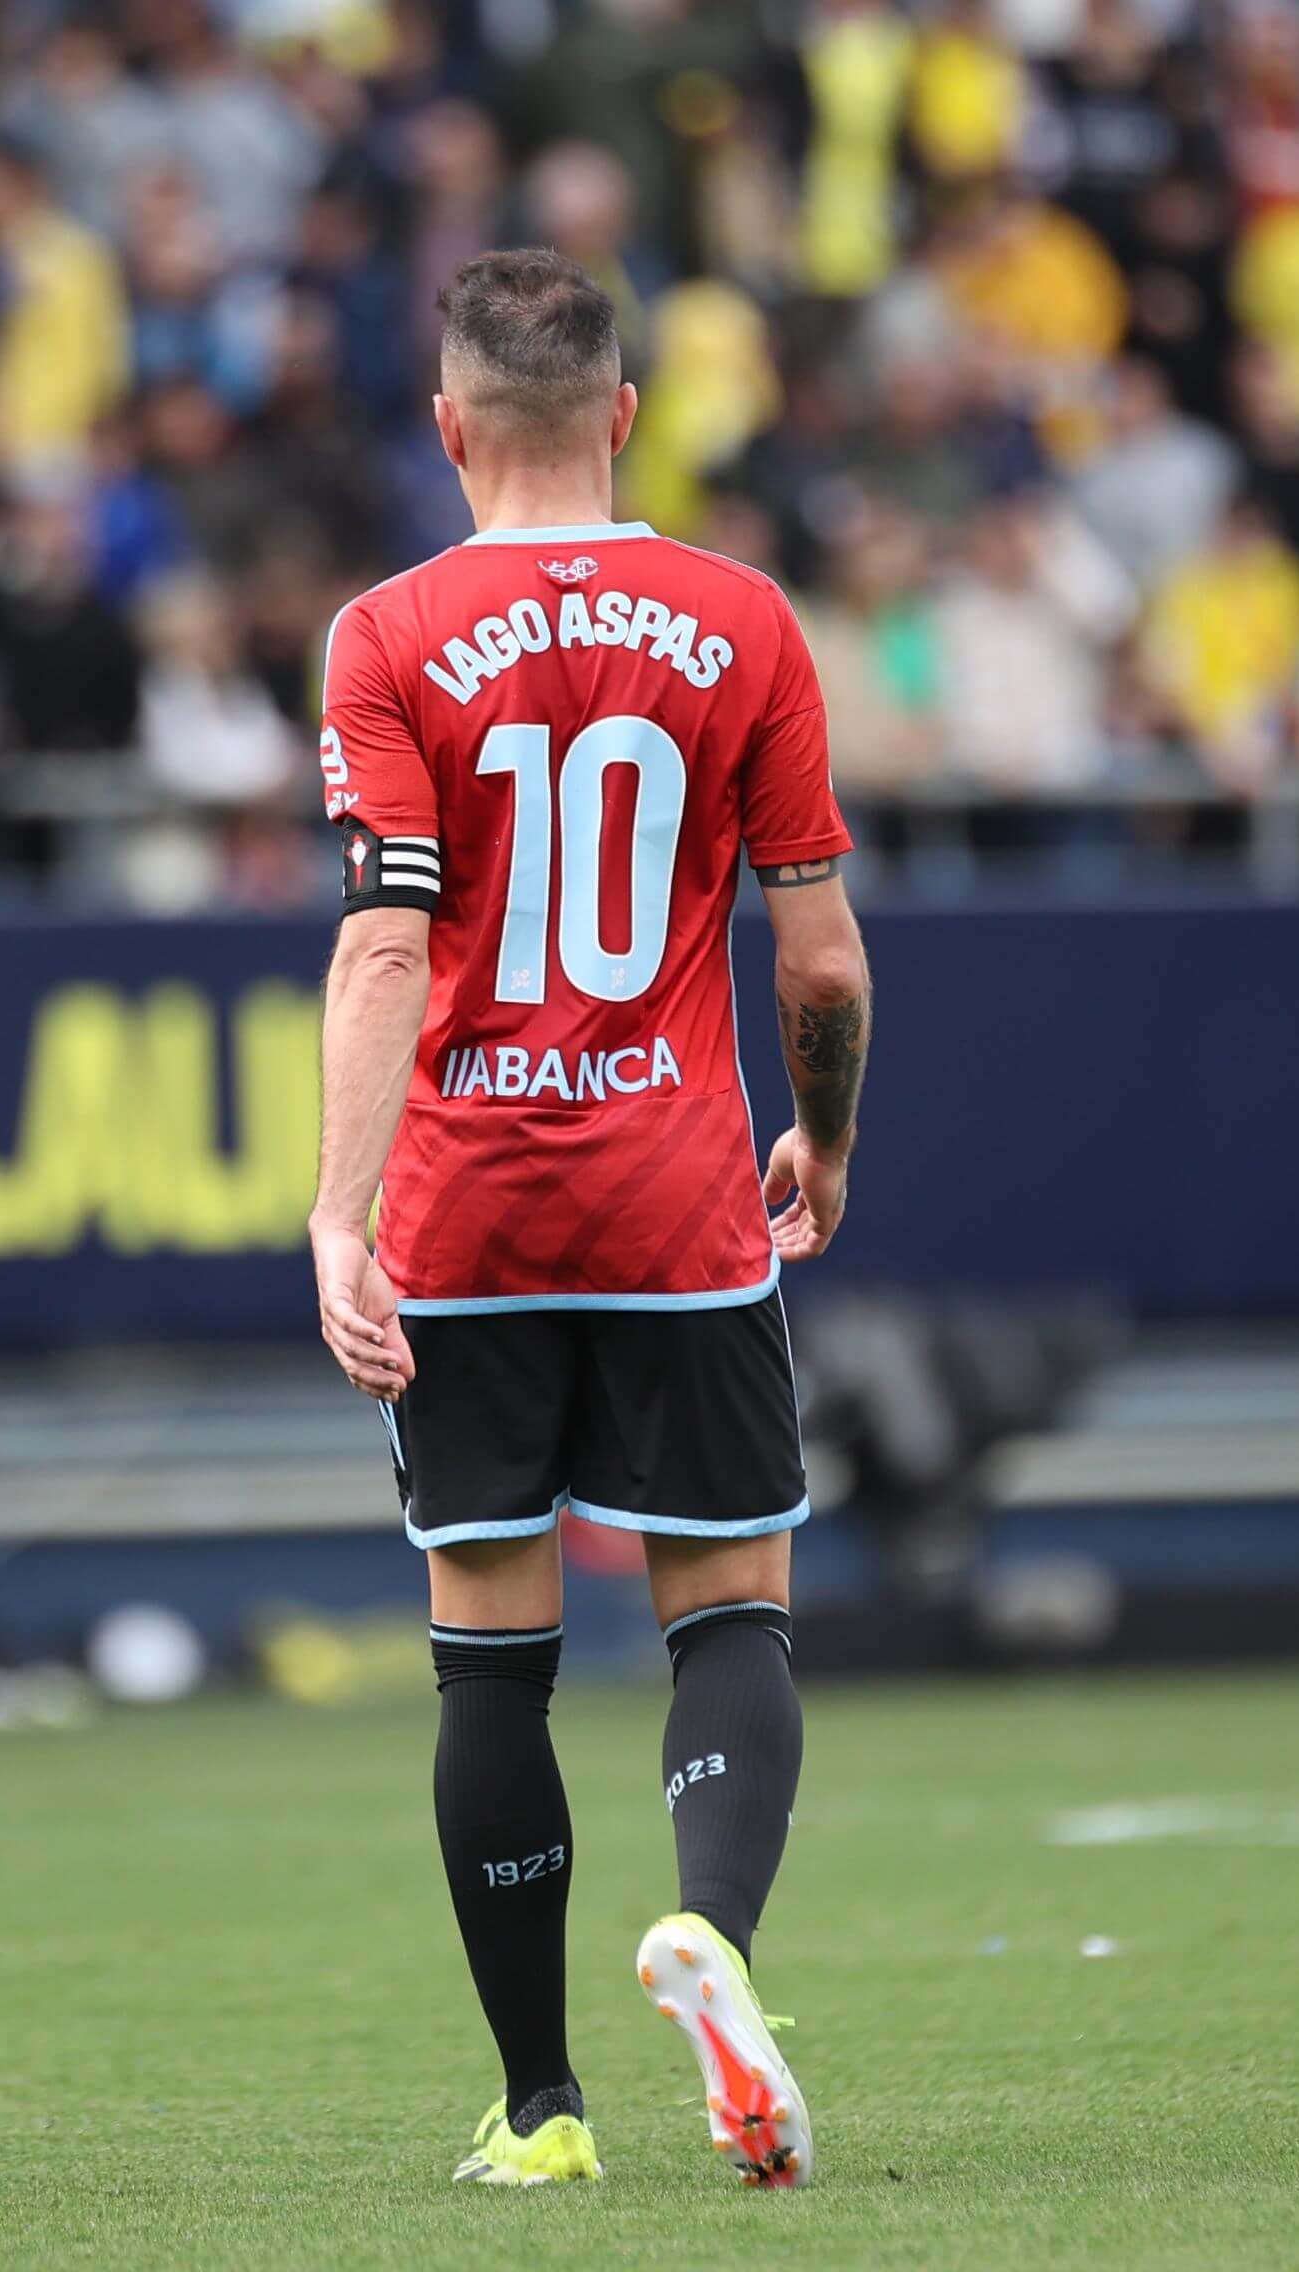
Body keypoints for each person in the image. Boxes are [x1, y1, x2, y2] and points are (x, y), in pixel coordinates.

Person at [308, 250, 869, 2191]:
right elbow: (819, 960)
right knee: (730, 1602)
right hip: (680, 1196)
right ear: (626, 415)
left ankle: (541, 2105)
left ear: (449, 425)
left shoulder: (383, 634)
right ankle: (712, 1930)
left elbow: (387, 942)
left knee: (490, 1644)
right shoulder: (745, 620)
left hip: (468, 1208)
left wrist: (337, 1214)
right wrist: (825, 1138)